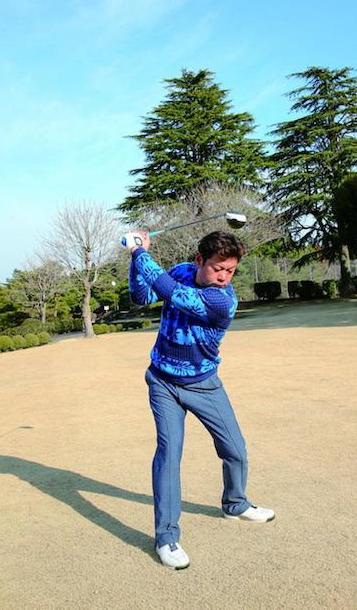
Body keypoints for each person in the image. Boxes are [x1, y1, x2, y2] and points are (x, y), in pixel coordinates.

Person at [127, 230, 274, 570]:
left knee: (235, 449)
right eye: (218, 268)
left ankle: (235, 503)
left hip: (204, 384)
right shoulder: (181, 270)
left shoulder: (223, 301)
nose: (224, 276)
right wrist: (135, 263)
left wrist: (139, 252)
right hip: (163, 382)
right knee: (168, 455)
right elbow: (141, 295)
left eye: (230, 270)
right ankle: (166, 537)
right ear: (198, 260)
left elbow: (173, 294)